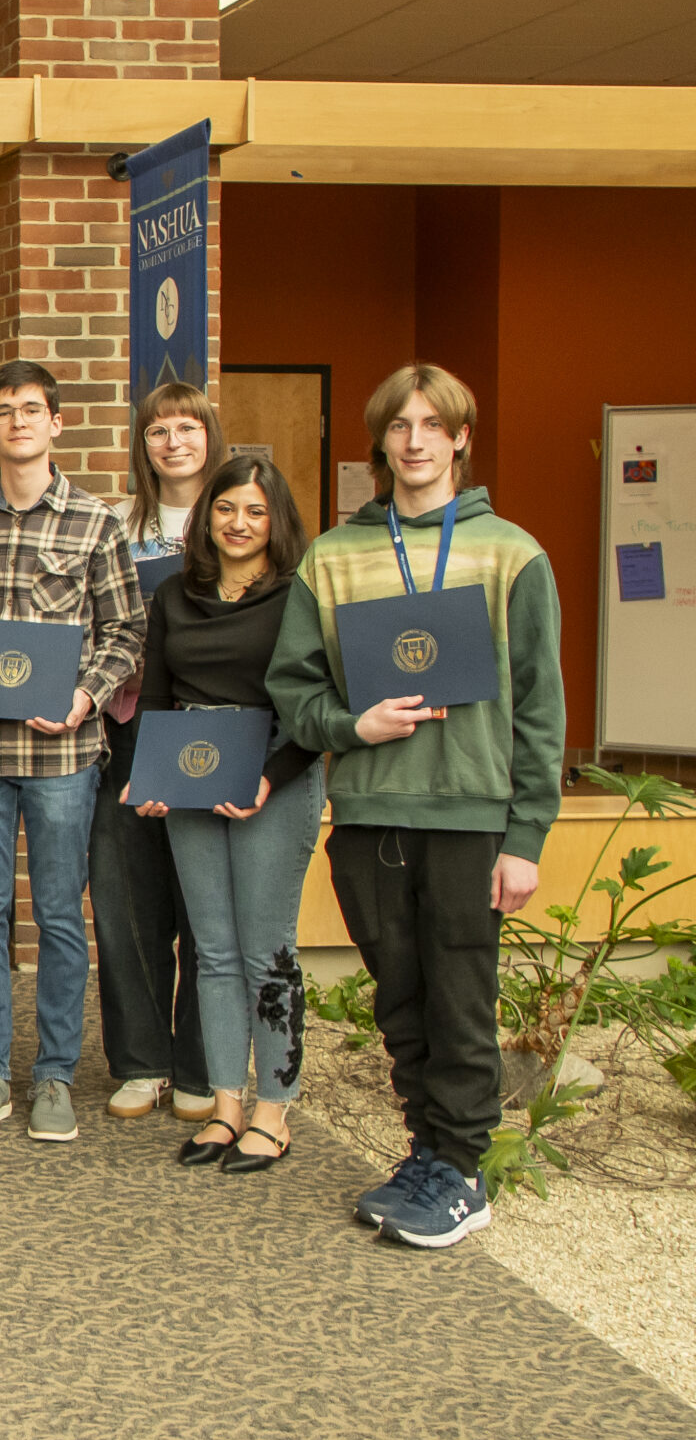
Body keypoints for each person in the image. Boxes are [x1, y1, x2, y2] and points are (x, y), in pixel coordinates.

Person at [267, 363, 562, 1248]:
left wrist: (528, 836)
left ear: (461, 438)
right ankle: (428, 1147)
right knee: (401, 999)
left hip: (472, 813)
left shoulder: (513, 552)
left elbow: (540, 705)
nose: (417, 440)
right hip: (370, 811)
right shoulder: (334, 556)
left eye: (435, 424)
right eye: (401, 425)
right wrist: (353, 723)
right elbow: (294, 690)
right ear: (382, 440)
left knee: (460, 998)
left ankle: (465, 1170)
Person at [0, 360, 143, 1145]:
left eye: (31, 409)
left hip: (62, 754)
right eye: (4, 410)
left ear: (56, 423)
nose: (17, 421)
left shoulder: (96, 522)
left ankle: (52, 1075)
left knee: (58, 915)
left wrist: (84, 695)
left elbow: (124, 629)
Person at [129, 455, 322, 1172]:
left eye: (256, 511)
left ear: (277, 522)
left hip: (275, 773)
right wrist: (148, 778)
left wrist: (271, 776)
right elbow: (155, 696)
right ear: (206, 516)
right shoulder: (175, 595)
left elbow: (314, 704)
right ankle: (226, 1104)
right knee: (209, 951)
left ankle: (274, 1108)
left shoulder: (301, 596)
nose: (239, 523)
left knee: (265, 950)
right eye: (226, 508)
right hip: (189, 779)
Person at [92, 382, 224, 1124]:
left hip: (211, 731)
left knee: (203, 901)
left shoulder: (237, 512)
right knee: (126, 900)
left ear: (210, 435)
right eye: (157, 431)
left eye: (187, 427)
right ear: (142, 445)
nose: (173, 442)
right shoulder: (117, 523)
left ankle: (201, 1065)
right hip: (130, 725)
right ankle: (141, 1061)